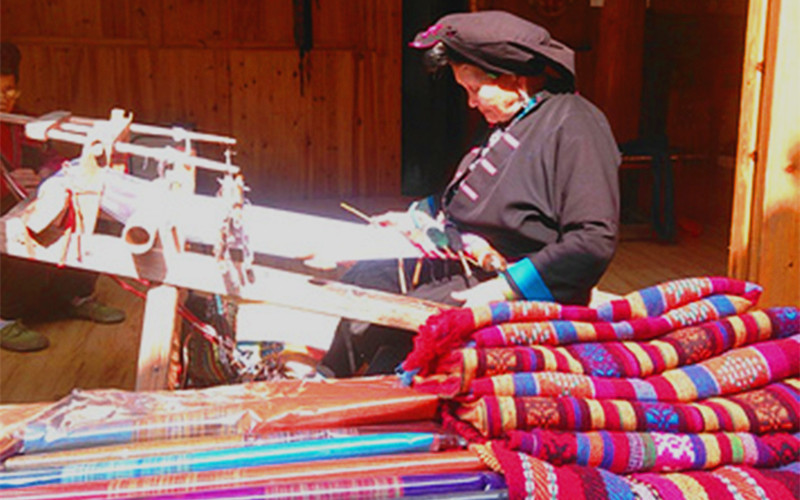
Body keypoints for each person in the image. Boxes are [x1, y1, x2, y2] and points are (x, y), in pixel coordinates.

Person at [319, 11, 620, 377]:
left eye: (475, 90)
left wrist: (504, 289)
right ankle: (326, 381)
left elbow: (593, 241)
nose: (471, 104)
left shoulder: (575, 124)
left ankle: (363, 396)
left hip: (521, 286)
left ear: (513, 77)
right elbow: (470, 198)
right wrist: (414, 219)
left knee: (390, 318)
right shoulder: (513, 122)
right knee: (365, 279)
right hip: (468, 267)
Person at [1, 41, 126, 352]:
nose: (5, 100)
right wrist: (7, 185)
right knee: (23, 227)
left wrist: (46, 174)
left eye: (10, 90)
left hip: (24, 196)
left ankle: (74, 294)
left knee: (87, 208)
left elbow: (51, 157)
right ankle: (3, 319)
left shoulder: (21, 123)